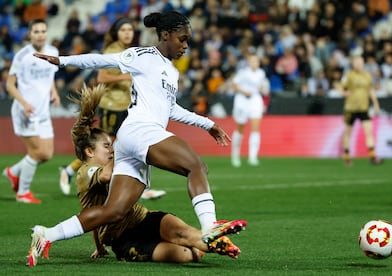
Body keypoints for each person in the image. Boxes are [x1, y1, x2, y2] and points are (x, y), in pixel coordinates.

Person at [29, 10, 247, 265]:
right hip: (141, 130)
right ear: (165, 35)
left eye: (188, 40)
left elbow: (170, 108)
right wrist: (62, 61)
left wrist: (207, 124)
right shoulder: (143, 56)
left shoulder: (171, 71)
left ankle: (46, 235)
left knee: (114, 211)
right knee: (196, 166)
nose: (186, 45)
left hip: (133, 139)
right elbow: (101, 60)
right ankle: (210, 226)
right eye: (182, 39)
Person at [27, 84, 242, 266]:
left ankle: (213, 239)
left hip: (143, 218)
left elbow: (95, 216)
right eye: (106, 146)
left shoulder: (114, 167)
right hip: (123, 237)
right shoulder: (86, 172)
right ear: (89, 152)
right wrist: (127, 147)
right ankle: (47, 234)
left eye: (111, 146)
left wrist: (99, 247)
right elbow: (101, 190)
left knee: (190, 237)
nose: (111, 150)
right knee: (188, 254)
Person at [59, 17, 166, 200]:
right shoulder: (112, 50)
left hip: (127, 106)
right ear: (117, 33)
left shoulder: (132, 52)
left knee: (124, 145)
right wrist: (126, 78)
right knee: (112, 147)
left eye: (130, 30)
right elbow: (101, 77)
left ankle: (71, 171)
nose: (127, 33)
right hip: (111, 106)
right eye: (123, 30)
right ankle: (73, 171)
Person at [2, 19, 60, 204]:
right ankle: (22, 193)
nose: (40, 34)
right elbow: (10, 86)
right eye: (36, 31)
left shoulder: (53, 52)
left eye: (43, 30)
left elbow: (50, 75)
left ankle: (13, 172)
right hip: (25, 111)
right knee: (36, 152)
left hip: (43, 111)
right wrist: (24, 103)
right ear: (30, 34)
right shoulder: (22, 56)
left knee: (47, 154)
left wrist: (54, 92)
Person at [338, 55, 382, 166]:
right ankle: (347, 156)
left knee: (369, 131)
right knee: (348, 132)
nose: (358, 64)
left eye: (360, 62)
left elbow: (371, 90)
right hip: (350, 108)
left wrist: (376, 103)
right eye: (356, 62)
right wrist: (344, 93)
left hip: (364, 108)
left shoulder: (367, 75)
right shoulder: (349, 75)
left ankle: (372, 156)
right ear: (353, 64)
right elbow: (340, 86)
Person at [230, 53, 269, 167]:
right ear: (249, 62)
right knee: (240, 127)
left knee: (255, 128)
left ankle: (253, 157)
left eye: (256, 61)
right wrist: (244, 91)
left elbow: (262, 87)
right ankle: (235, 155)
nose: (254, 63)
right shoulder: (243, 73)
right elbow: (233, 85)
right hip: (242, 100)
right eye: (252, 61)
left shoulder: (261, 73)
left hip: (255, 100)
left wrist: (262, 90)